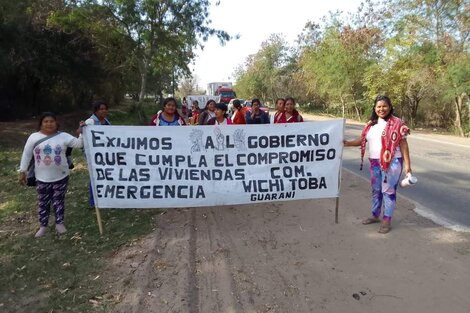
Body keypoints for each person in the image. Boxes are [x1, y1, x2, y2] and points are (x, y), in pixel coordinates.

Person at [343, 95, 412, 234]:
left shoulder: (398, 123)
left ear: (390, 107)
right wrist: (347, 143)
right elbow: (363, 140)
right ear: (375, 108)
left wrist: (407, 166)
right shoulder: (370, 124)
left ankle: (387, 220)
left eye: (384, 106)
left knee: (388, 191)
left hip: (392, 162)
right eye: (379, 106)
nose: (381, 109)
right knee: (376, 190)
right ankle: (375, 215)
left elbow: (403, 145)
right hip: (374, 162)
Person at [18, 112, 84, 238]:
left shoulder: (64, 136)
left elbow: (79, 144)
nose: (49, 124)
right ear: (41, 124)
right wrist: (22, 171)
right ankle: (43, 226)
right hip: (41, 178)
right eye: (46, 121)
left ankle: (59, 223)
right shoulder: (33, 137)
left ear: (56, 123)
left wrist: (82, 131)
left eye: (51, 121)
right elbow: (26, 154)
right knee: (43, 202)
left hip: (61, 176)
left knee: (58, 201)